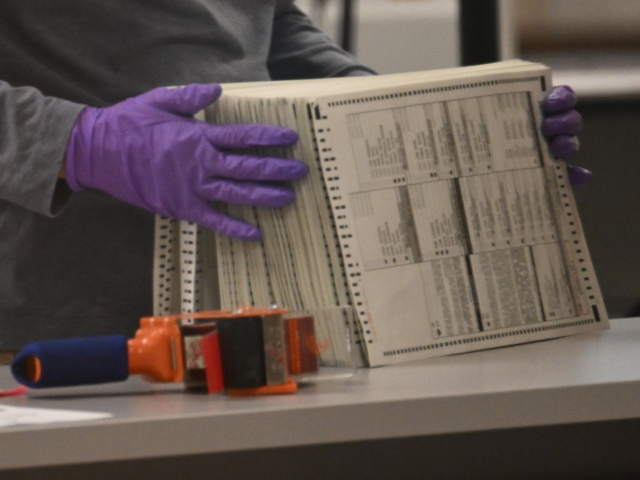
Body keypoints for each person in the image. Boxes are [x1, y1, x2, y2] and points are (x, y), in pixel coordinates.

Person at [0, 1, 584, 360]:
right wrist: (81, 143)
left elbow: (266, 27)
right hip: (53, 338)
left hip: (256, 317)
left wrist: (431, 123)